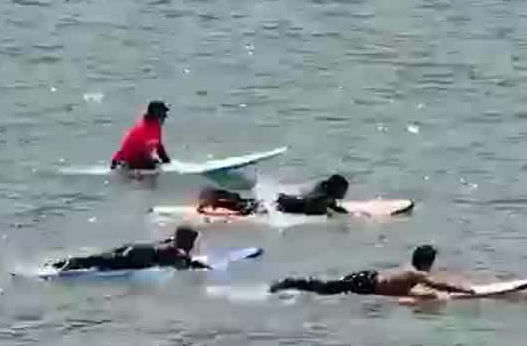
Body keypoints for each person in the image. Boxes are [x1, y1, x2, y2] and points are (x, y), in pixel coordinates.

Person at [269, 245, 477, 298]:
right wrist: (465, 290)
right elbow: (438, 284)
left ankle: (294, 284)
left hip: (367, 278)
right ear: (427, 262)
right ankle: (290, 283)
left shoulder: (409, 269)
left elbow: (402, 287)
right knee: (324, 289)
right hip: (365, 283)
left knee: (327, 288)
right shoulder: (417, 274)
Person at [48, 227, 208, 273]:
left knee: (98, 259)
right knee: (100, 263)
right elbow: (189, 264)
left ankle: (56, 264)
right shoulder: (179, 255)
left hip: (137, 248)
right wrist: (206, 268)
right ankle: (68, 265)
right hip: (138, 257)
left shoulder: (172, 245)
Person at [196, 175, 351, 218]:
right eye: (343, 190)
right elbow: (314, 210)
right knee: (245, 209)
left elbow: (328, 205)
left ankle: (217, 196)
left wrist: (335, 208)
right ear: (335, 189)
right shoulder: (323, 199)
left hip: (282, 199)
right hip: (281, 206)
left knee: (246, 204)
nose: (344, 193)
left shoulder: (322, 186)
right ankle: (215, 197)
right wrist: (332, 213)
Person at [111, 101, 171, 170]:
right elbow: (134, 151)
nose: (166, 115)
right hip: (125, 162)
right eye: (164, 112)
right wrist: (151, 165)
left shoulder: (156, 126)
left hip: (140, 158)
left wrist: (166, 161)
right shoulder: (142, 130)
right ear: (157, 113)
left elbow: (159, 146)